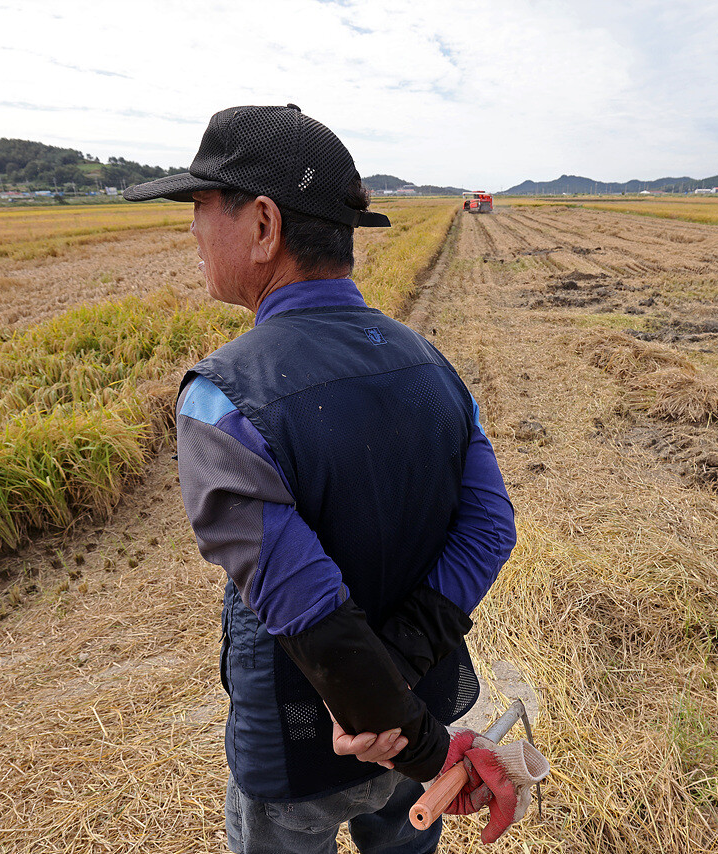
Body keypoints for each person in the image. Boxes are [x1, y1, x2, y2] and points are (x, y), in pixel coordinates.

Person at [123, 104, 543, 853]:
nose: (191, 231)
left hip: (306, 742)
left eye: (199, 207)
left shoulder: (222, 398)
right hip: (420, 708)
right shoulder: (433, 365)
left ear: (261, 225)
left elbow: (305, 602)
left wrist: (400, 727)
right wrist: (409, 698)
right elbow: (489, 527)